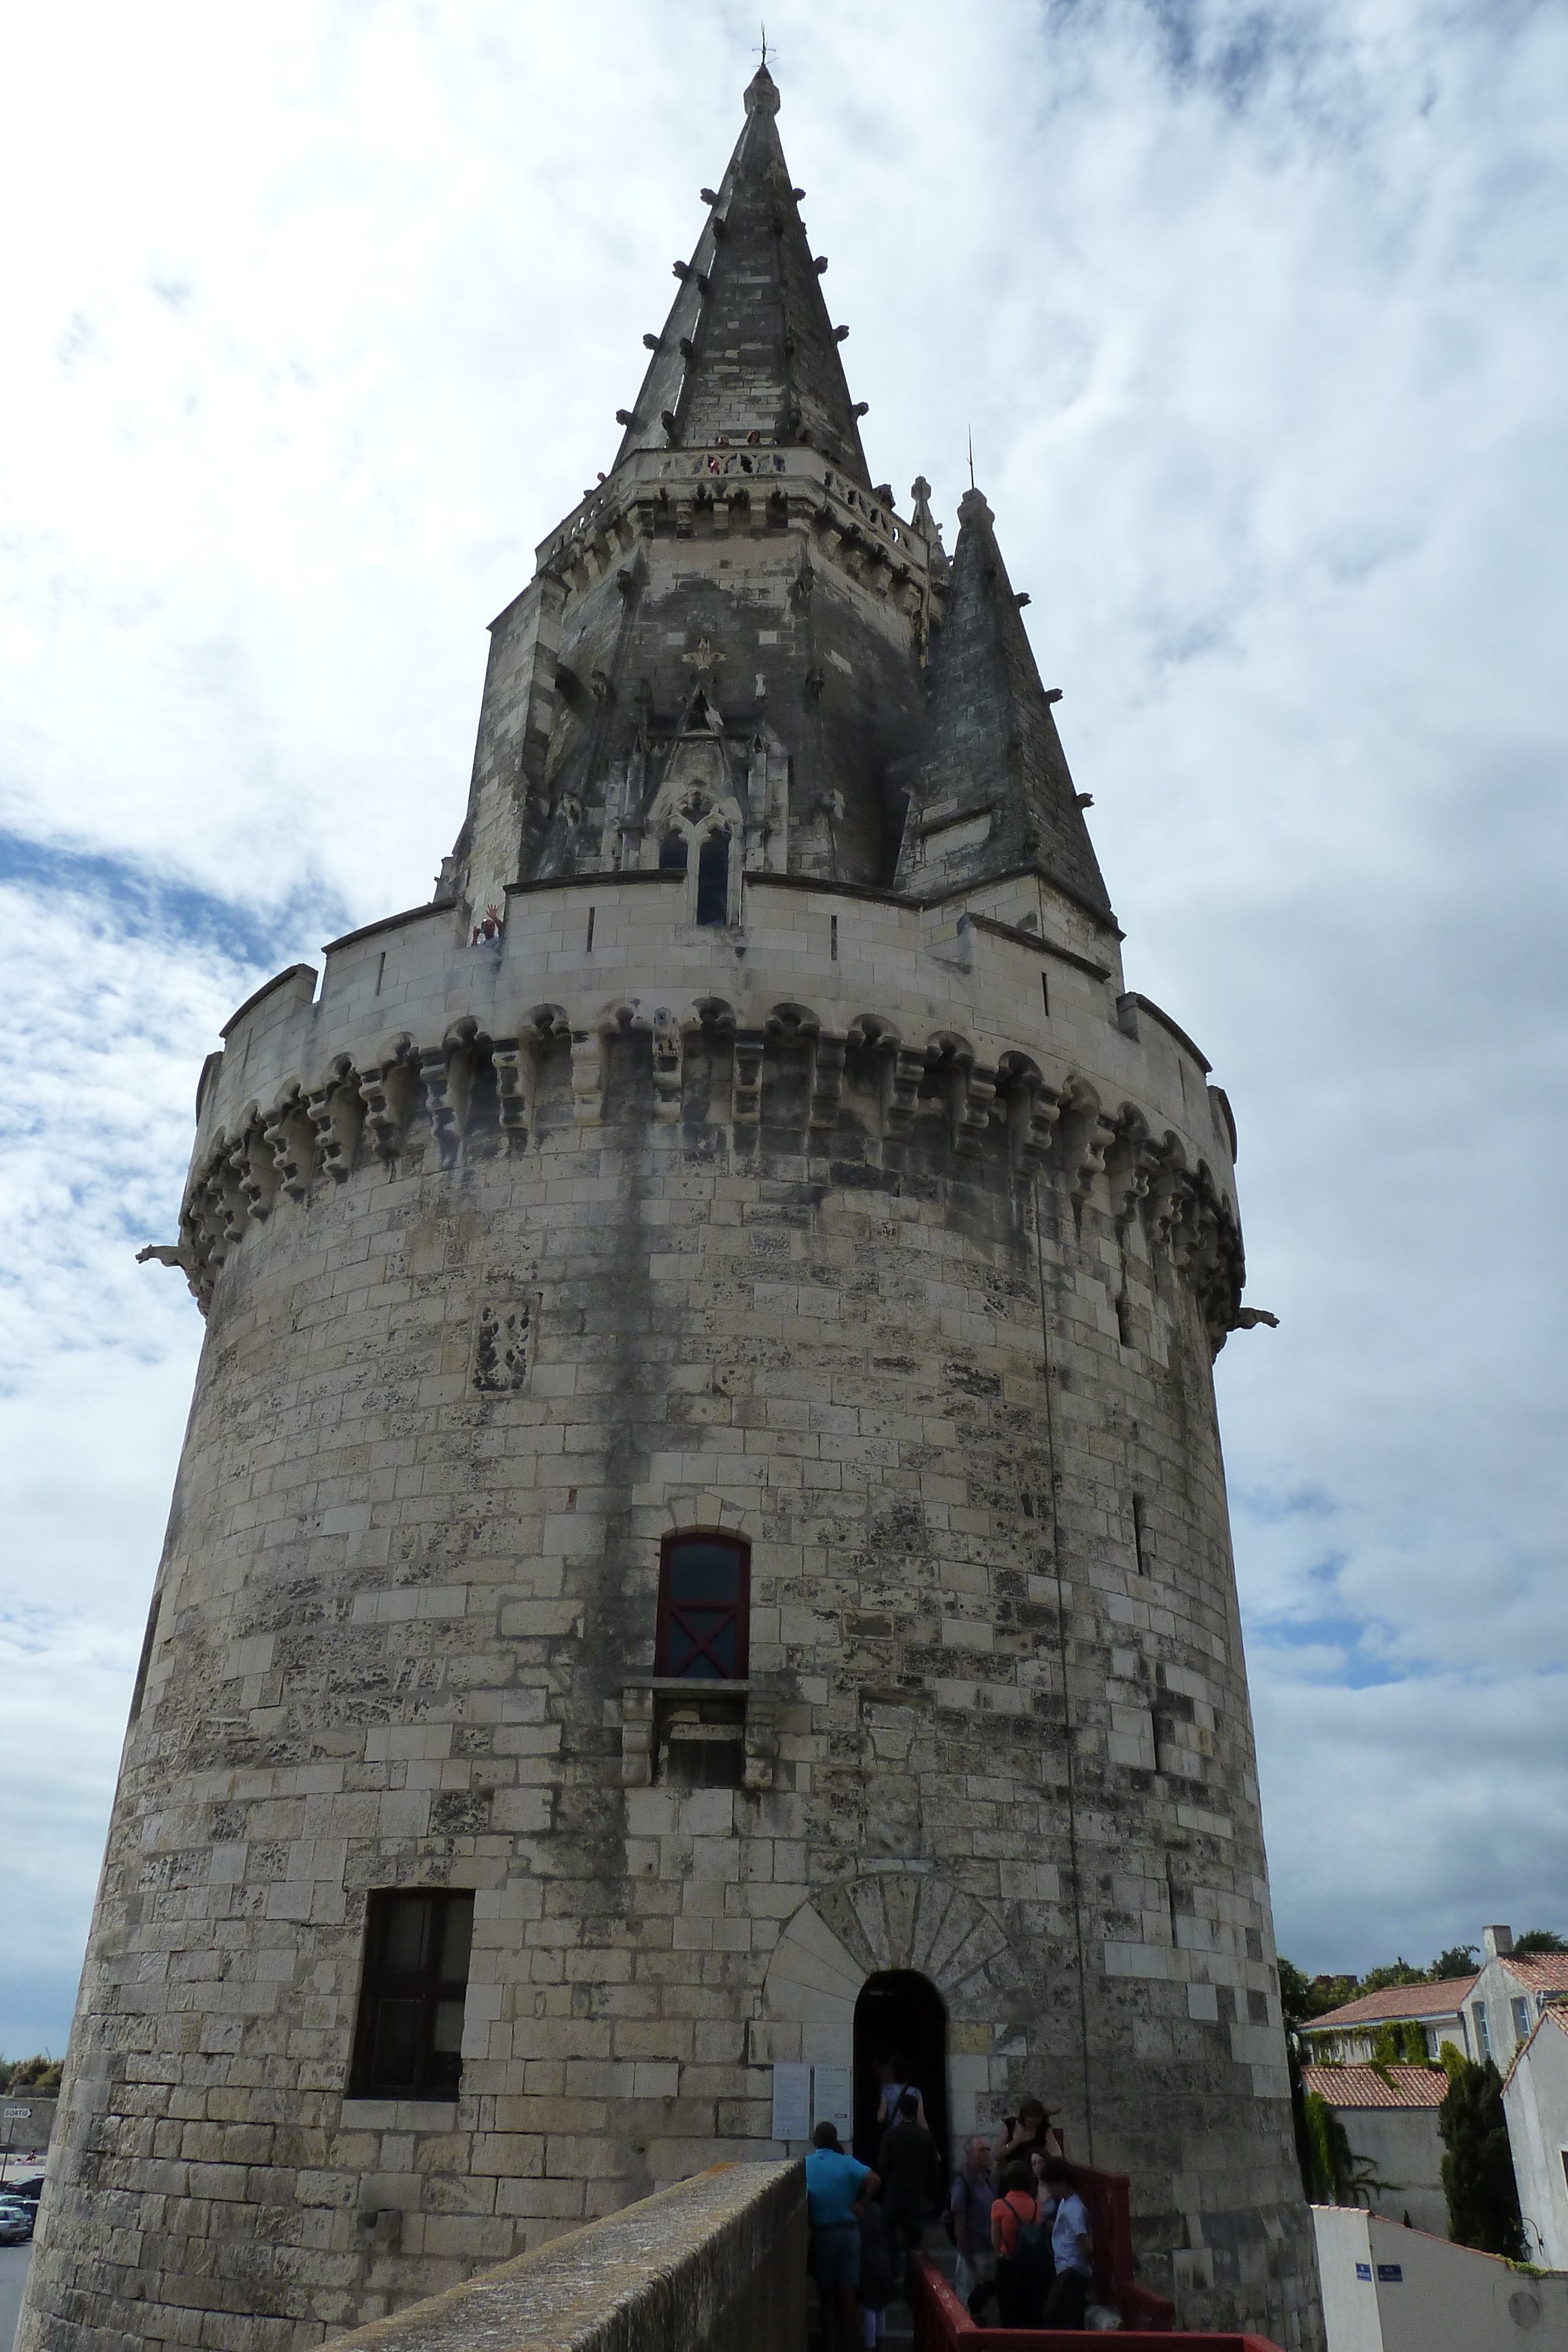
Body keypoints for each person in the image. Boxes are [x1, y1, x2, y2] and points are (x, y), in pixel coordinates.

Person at [805, 2123, 881, 2352]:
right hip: (849, 2232)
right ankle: (849, 2346)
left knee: (827, 2296)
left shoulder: (806, 2165)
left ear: (815, 2141)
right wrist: (862, 2204)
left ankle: (832, 2345)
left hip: (822, 2235)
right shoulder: (847, 2162)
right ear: (835, 2140)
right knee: (848, 2293)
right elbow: (875, 2180)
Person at [875, 2090, 940, 2283]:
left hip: (895, 2194)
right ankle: (912, 2286)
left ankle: (894, 2261)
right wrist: (932, 2197)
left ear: (901, 2112)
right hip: (917, 2197)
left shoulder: (891, 2135)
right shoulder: (926, 2137)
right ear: (916, 2111)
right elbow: (933, 2170)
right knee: (914, 2244)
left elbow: (882, 2165)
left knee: (888, 2227)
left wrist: (889, 2183)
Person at [989, 2159, 1053, 2327]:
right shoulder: (1036, 2206)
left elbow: (996, 2243)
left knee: (1009, 2319)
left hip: (1008, 2265)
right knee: (1033, 2318)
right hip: (1033, 2267)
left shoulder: (999, 2206)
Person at [1037, 2156, 1094, 2330]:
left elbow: (1086, 2244)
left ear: (1062, 2182)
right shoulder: (1067, 2203)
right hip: (1068, 2268)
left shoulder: (1074, 2209)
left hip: (1072, 2270)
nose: (1050, 2189)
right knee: (1063, 2317)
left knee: (1060, 2317)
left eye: (1052, 2185)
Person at [948, 2134, 997, 2314]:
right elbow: (959, 2228)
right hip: (973, 2256)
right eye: (981, 2150)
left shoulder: (987, 2179)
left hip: (989, 2252)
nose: (986, 2154)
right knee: (967, 2308)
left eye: (988, 2150)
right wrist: (972, 2267)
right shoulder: (962, 2186)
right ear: (970, 2154)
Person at [992, 2094, 1062, 2179]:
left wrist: (1044, 2159)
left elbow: (1057, 2154)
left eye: (1036, 2123)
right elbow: (996, 2155)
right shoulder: (1011, 2125)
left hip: (1034, 2175)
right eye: (1030, 2123)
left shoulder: (1044, 2129)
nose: (1033, 2127)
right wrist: (1016, 2142)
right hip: (1012, 2174)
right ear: (1024, 2117)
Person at [855, 2196, 893, 2347]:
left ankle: (870, 2345)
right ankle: (880, 2342)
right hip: (883, 2260)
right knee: (880, 2306)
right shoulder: (878, 2210)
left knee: (870, 2305)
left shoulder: (858, 2213)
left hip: (868, 2262)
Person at [874, 2052, 927, 2132]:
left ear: (895, 2073)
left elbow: (880, 2117)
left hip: (894, 2133)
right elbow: (921, 2119)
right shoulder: (916, 2093)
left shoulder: (887, 2090)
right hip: (911, 2133)